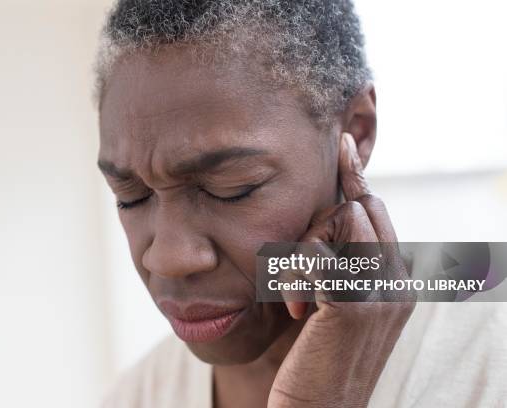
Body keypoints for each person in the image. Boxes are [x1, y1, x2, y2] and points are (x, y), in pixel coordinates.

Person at [96, 1, 507, 407]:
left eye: (232, 187)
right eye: (130, 197)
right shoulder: (138, 395)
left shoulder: (488, 365)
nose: (167, 259)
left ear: (356, 133)